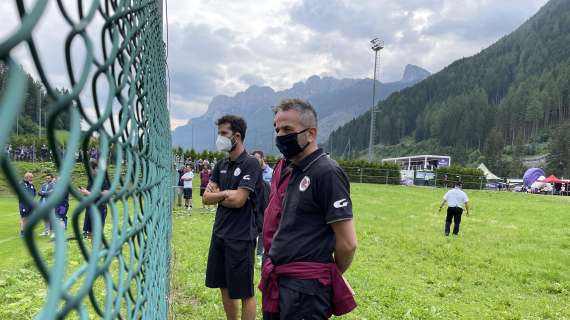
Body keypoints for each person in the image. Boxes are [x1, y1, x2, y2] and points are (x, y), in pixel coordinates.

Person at [260, 99, 357, 319]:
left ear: (311, 133)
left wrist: (323, 276)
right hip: (279, 282)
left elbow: (348, 243)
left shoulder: (327, 172)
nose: (280, 136)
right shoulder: (291, 170)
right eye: (277, 129)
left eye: (288, 129)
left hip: (306, 293)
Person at [203, 115, 262, 320]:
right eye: (219, 133)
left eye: (223, 133)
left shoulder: (251, 164)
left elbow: (239, 200)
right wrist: (226, 194)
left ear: (237, 136)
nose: (220, 138)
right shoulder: (220, 165)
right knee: (223, 284)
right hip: (220, 233)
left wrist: (219, 195)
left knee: (245, 291)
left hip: (241, 236)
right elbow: (205, 198)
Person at [80, 160, 110, 239]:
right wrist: (84, 192)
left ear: (96, 168)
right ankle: (95, 250)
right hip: (90, 207)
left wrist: (88, 193)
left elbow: (106, 194)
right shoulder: (91, 180)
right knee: (90, 234)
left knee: (97, 234)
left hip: (100, 208)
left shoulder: (103, 179)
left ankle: (100, 249)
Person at [251, 151, 271, 267]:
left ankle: (260, 254)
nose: (255, 160)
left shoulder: (271, 173)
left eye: (257, 158)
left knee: (263, 231)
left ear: (263, 158)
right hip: (255, 203)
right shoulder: (252, 171)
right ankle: (253, 254)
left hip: (267, 203)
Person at [18, 172, 36, 237]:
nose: (32, 179)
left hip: (31, 204)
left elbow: (34, 194)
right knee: (24, 218)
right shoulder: (21, 184)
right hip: (24, 204)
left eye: (32, 178)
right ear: (27, 177)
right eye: (31, 177)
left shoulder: (31, 185)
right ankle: (22, 232)